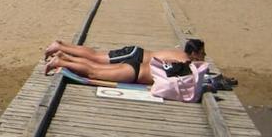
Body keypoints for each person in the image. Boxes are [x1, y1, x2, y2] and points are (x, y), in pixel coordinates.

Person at [43, 38, 207, 85]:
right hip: (136, 58)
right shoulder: (185, 60)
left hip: (137, 60)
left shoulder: (179, 54)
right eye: (202, 54)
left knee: (95, 62)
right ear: (194, 53)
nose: (204, 57)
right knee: (95, 59)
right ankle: (61, 48)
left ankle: (64, 55)